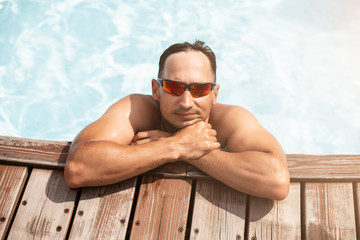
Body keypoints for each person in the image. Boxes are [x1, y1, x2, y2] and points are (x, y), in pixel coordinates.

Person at [64, 40, 290, 200]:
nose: (186, 102)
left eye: (200, 89)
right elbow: (78, 167)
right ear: (156, 89)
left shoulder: (231, 119)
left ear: (215, 94)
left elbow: (276, 180)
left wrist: (195, 153)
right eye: (174, 87)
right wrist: (176, 145)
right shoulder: (137, 108)